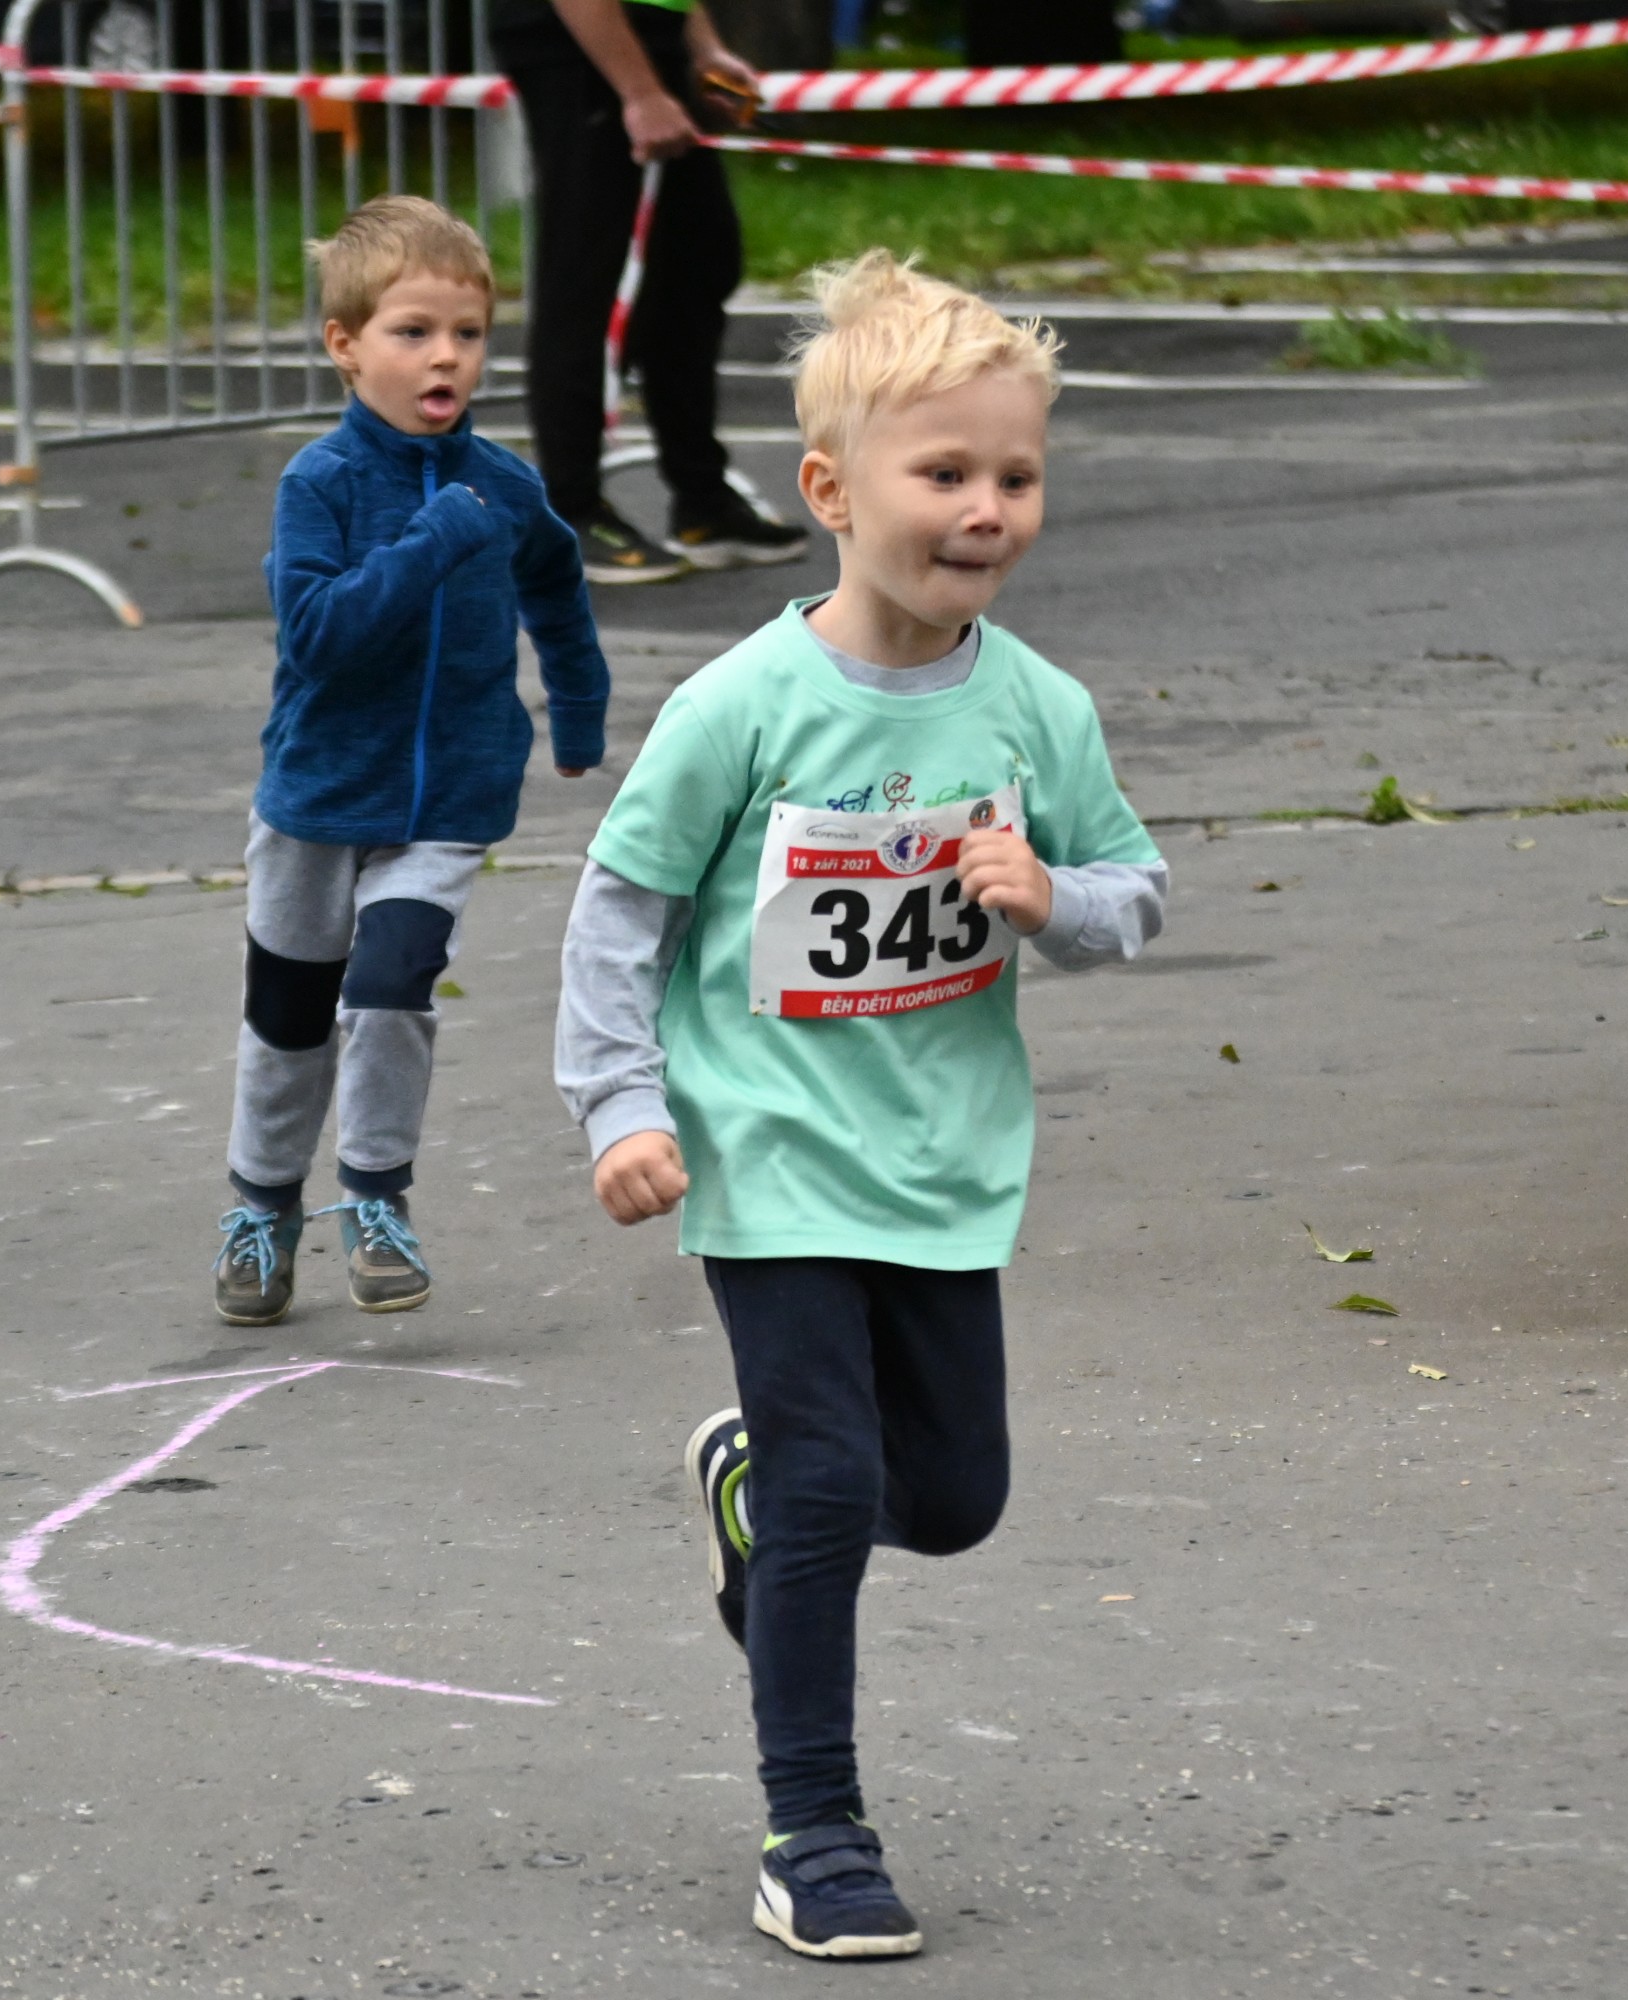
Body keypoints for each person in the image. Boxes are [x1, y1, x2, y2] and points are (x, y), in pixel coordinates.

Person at [553, 252, 1168, 1957]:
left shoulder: (1038, 710)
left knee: (952, 1498)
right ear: (830, 492)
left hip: (944, 1164)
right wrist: (620, 1106)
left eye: (1016, 475)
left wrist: (1055, 898)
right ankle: (812, 1832)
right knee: (836, 1487)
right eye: (944, 471)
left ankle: (749, 1488)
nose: (986, 509)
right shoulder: (743, 707)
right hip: (767, 1154)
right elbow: (621, 910)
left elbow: (1135, 888)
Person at [212, 195, 610, 1326]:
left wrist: (578, 710)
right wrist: (433, 541)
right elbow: (318, 635)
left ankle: (376, 1198)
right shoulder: (321, 485)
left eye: (468, 334)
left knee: (391, 986)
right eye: (414, 331)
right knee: (290, 1019)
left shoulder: (505, 485)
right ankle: (261, 1206)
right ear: (345, 345)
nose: (447, 356)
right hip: (319, 796)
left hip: (449, 797)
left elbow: (558, 588)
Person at [488, 0, 812, 581]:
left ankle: (703, 502)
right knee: (589, 277)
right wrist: (639, 93)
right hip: (580, 46)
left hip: (649, 38)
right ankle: (569, 511)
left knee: (696, 263)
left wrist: (702, 49)